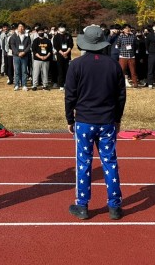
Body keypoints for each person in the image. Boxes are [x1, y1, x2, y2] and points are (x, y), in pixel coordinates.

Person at [65, 25, 126, 220]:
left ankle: (82, 205)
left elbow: (70, 95)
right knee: (110, 162)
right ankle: (114, 206)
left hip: (84, 120)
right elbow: (121, 96)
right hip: (107, 120)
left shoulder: (76, 65)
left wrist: (69, 118)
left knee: (83, 163)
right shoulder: (113, 65)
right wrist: (117, 118)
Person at [7, 22, 31, 91]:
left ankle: (24, 85)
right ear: (17, 28)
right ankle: (16, 85)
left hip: (24, 55)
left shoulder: (27, 36)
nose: (21, 28)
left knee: (24, 71)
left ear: (24, 28)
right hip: (16, 56)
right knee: (17, 71)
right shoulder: (14, 36)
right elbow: (12, 45)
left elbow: (29, 45)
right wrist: (18, 53)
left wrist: (24, 52)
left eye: (22, 26)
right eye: (19, 26)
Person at [115, 24, 139, 88]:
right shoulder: (121, 37)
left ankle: (135, 83)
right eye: (126, 28)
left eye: (129, 28)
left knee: (133, 70)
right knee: (121, 70)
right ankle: (120, 84)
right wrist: (122, 50)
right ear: (123, 30)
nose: (127, 29)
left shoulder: (133, 36)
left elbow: (136, 45)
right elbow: (118, 45)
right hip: (123, 56)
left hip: (131, 56)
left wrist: (134, 51)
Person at [52, 23, 73, 91]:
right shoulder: (56, 36)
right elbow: (56, 46)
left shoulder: (68, 35)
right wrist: (62, 53)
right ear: (58, 28)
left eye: (63, 27)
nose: (62, 28)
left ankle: (67, 84)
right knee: (60, 70)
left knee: (67, 70)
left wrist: (66, 52)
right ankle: (61, 85)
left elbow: (71, 45)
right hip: (60, 55)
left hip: (67, 55)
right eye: (61, 27)